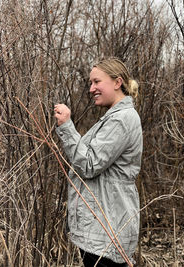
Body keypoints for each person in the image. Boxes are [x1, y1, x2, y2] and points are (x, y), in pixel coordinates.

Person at [54, 57, 143, 267]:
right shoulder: (114, 118)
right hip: (102, 229)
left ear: (117, 82)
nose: (91, 88)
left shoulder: (122, 119)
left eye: (96, 82)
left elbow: (89, 164)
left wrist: (67, 126)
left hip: (107, 230)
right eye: (90, 83)